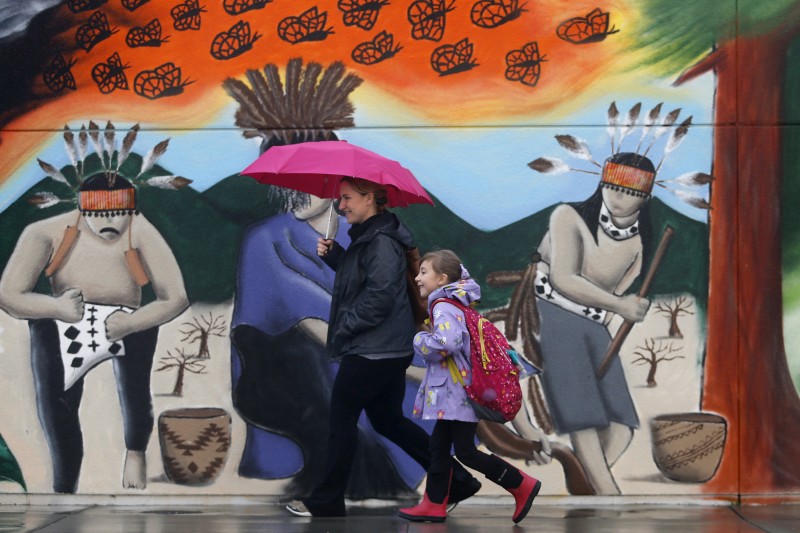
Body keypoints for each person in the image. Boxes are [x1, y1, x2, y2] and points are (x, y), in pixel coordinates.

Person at [286, 177, 480, 517]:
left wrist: (344, 325)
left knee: (342, 420)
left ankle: (327, 500)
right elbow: (366, 280)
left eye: (347, 198)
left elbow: (380, 297)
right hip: (385, 347)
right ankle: (457, 480)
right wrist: (337, 257)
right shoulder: (371, 236)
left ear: (370, 198)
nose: (341, 205)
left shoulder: (381, 241)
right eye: (341, 198)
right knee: (388, 420)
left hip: (374, 349)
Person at [0, 172, 188, 493]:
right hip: (64, 318)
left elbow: (176, 298)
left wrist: (131, 323)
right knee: (56, 402)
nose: (110, 221)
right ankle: (64, 482)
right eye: (100, 214)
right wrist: (55, 308)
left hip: (124, 321)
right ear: (82, 209)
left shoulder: (140, 228)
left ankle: (135, 450)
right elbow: (8, 295)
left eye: (119, 212)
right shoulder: (44, 232)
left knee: (135, 386)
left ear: (131, 209)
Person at [533, 151, 654, 495]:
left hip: (595, 320)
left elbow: (620, 292)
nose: (619, 197)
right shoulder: (568, 216)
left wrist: (627, 307)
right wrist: (621, 306)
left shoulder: (638, 243)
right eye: (613, 187)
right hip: (550, 310)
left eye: (630, 192)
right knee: (582, 413)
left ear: (645, 197)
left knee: (622, 424)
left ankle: (583, 480)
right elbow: (563, 278)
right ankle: (606, 492)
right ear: (602, 184)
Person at [398, 249, 542, 524]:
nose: (417, 278)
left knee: (464, 451)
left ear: (441, 279)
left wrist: (419, 340)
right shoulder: (455, 304)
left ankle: (520, 483)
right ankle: (434, 504)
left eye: (424, 272)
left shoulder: (443, 306)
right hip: (455, 393)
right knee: (439, 448)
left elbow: (447, 344)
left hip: (456, 394)